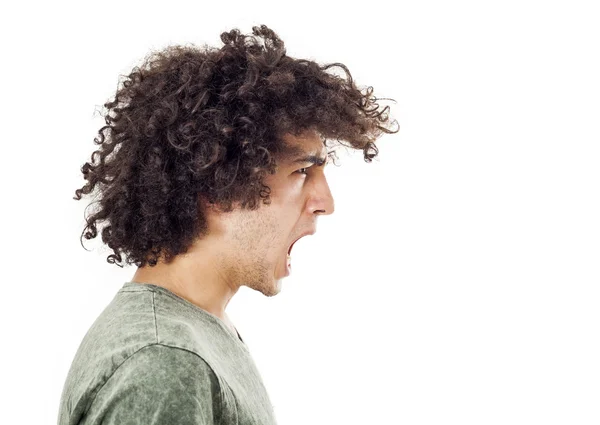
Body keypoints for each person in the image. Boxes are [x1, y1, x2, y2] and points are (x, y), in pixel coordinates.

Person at [57, 24, 398, 425]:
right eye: (303, 171)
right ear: (220, 184)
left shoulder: (198, 329)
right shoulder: (164, 363)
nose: (326, 203)